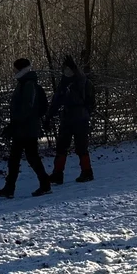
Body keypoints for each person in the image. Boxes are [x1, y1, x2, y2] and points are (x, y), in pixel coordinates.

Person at [0, 56, 53, 197]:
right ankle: (11, 188)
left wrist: (16, 122)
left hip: (26, 128)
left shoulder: (28, 84)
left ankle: (43, 185)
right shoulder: (24, 83)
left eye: (15, 69)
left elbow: (27, 107)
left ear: (21, 70)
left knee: (27, 158)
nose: (13, 71)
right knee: (19, 158)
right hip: (23, 128)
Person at [47, 53, 95, 184]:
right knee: (62, 147)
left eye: (68, 69)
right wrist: (49, 116)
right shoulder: (64, 83)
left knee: (81, 147)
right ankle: (58, 173)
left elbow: (90, 100)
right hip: (68, 117)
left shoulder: (81, 82)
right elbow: (56, 101)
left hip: (79, 118)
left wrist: (86, 112)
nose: (66, 71)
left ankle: (86, 172)